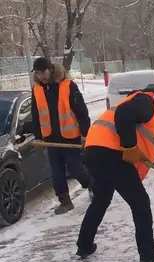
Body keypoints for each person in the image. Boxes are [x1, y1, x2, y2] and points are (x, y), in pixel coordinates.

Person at [76, 84, 154, 262]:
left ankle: (84, 246)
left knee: (101, 200)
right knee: (140, 203)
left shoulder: (138, 117)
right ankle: (147, 253)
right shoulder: (146, 100)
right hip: (112, 155)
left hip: (94, 152)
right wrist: (129, 146)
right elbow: (124, 115)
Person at [31, 57, 92, 215]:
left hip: (69, 137)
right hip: (50, 139)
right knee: (56, 171)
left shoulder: (68, 86)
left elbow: (82, 112)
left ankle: (92, 185)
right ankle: (65, 201)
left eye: (43, 72)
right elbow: (36, 114)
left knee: (75, 168)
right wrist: (38, 136)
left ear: (50, 70)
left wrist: (86, 134)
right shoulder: (37, 89)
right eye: (37, 73)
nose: (41, 76)